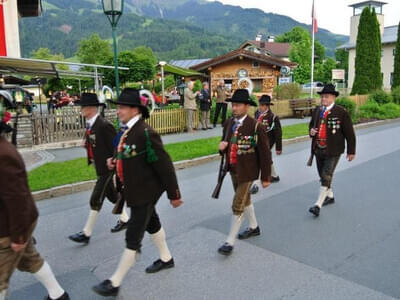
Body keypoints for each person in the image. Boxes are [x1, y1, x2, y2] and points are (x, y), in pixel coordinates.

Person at [92, 88, 183, 297]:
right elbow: (129, 155)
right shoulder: (127, 132)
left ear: (135, 110)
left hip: (145, 192)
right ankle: (166, 259)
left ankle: (114, 282)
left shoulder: (145, 132)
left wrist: (174, 194)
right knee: (152, 224)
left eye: (122, 107)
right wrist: (114, 161)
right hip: (133, 190)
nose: (119, 111)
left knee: (133, 236)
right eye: (119, 107)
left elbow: (165, 166)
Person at [0, 95, 69, 300]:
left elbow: (17, 198)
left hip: (8, 226)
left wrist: (19, 235)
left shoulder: (3, 154)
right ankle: (58, 295)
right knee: (30, 260)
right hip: (14, 222)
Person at [68, 93, 129, 245]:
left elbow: (117, 144)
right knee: (112, 196)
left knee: (96, 198)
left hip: (107, 168)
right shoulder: (91, 124)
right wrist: (86, 142)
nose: (80, 109)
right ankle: (125, 219)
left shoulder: (103, 125)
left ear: (91, 108)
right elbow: (93, 139)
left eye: (82, 106)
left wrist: (114, 160)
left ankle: (86, 233)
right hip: (99, 166)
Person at [217, 89, 271, 256]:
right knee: (245, 200)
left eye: (238, 105)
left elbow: (265, 153)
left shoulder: (256, 126)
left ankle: (229, 241)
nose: (234, 108)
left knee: (237, 203)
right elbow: (226, 144)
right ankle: (254, 227)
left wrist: (266, 176)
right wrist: (221, 148)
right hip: (233, 168)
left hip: (248, 171)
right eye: (233, 105)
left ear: (247, 106)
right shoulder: (228, 123)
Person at [308, 84, 356, 217]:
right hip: (318, 148)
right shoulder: (318, 110)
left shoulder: (341, 112)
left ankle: (317, 204)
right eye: (322, 96)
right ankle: (330, 196)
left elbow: (349, 133)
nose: (323, 98)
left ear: (333, 97)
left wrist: (351, 151)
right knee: (321, 174)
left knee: (326, 174)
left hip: (334, 149)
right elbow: (312, 125)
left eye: (326, 96)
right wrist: (311, 132)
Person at [250, 94, 282, 194]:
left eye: (262, 105)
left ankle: (255, 184)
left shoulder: (273, 117)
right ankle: (275, 176)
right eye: (260, 104)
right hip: (257, 140)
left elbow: (278, 133)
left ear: (267, 106)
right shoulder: (256, 114)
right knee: (266, 159)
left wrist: (278, 147)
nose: (260, 107)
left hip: (268, 141)